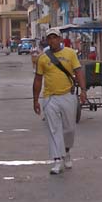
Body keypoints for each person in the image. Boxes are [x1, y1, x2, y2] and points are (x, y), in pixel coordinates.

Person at [33, 28, 86, 174]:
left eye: (55, 38)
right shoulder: (43, 58)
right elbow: (38, 79)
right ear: (47, 40)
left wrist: (83, 90)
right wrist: (35, 100)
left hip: (67, 96)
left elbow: (78, 72)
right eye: (49, 38)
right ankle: (57, 160)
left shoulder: (70, 54)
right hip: (50, 98)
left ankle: (66, 151)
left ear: (60, 39)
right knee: (53, 129)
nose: (52, 40)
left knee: (69, 129)